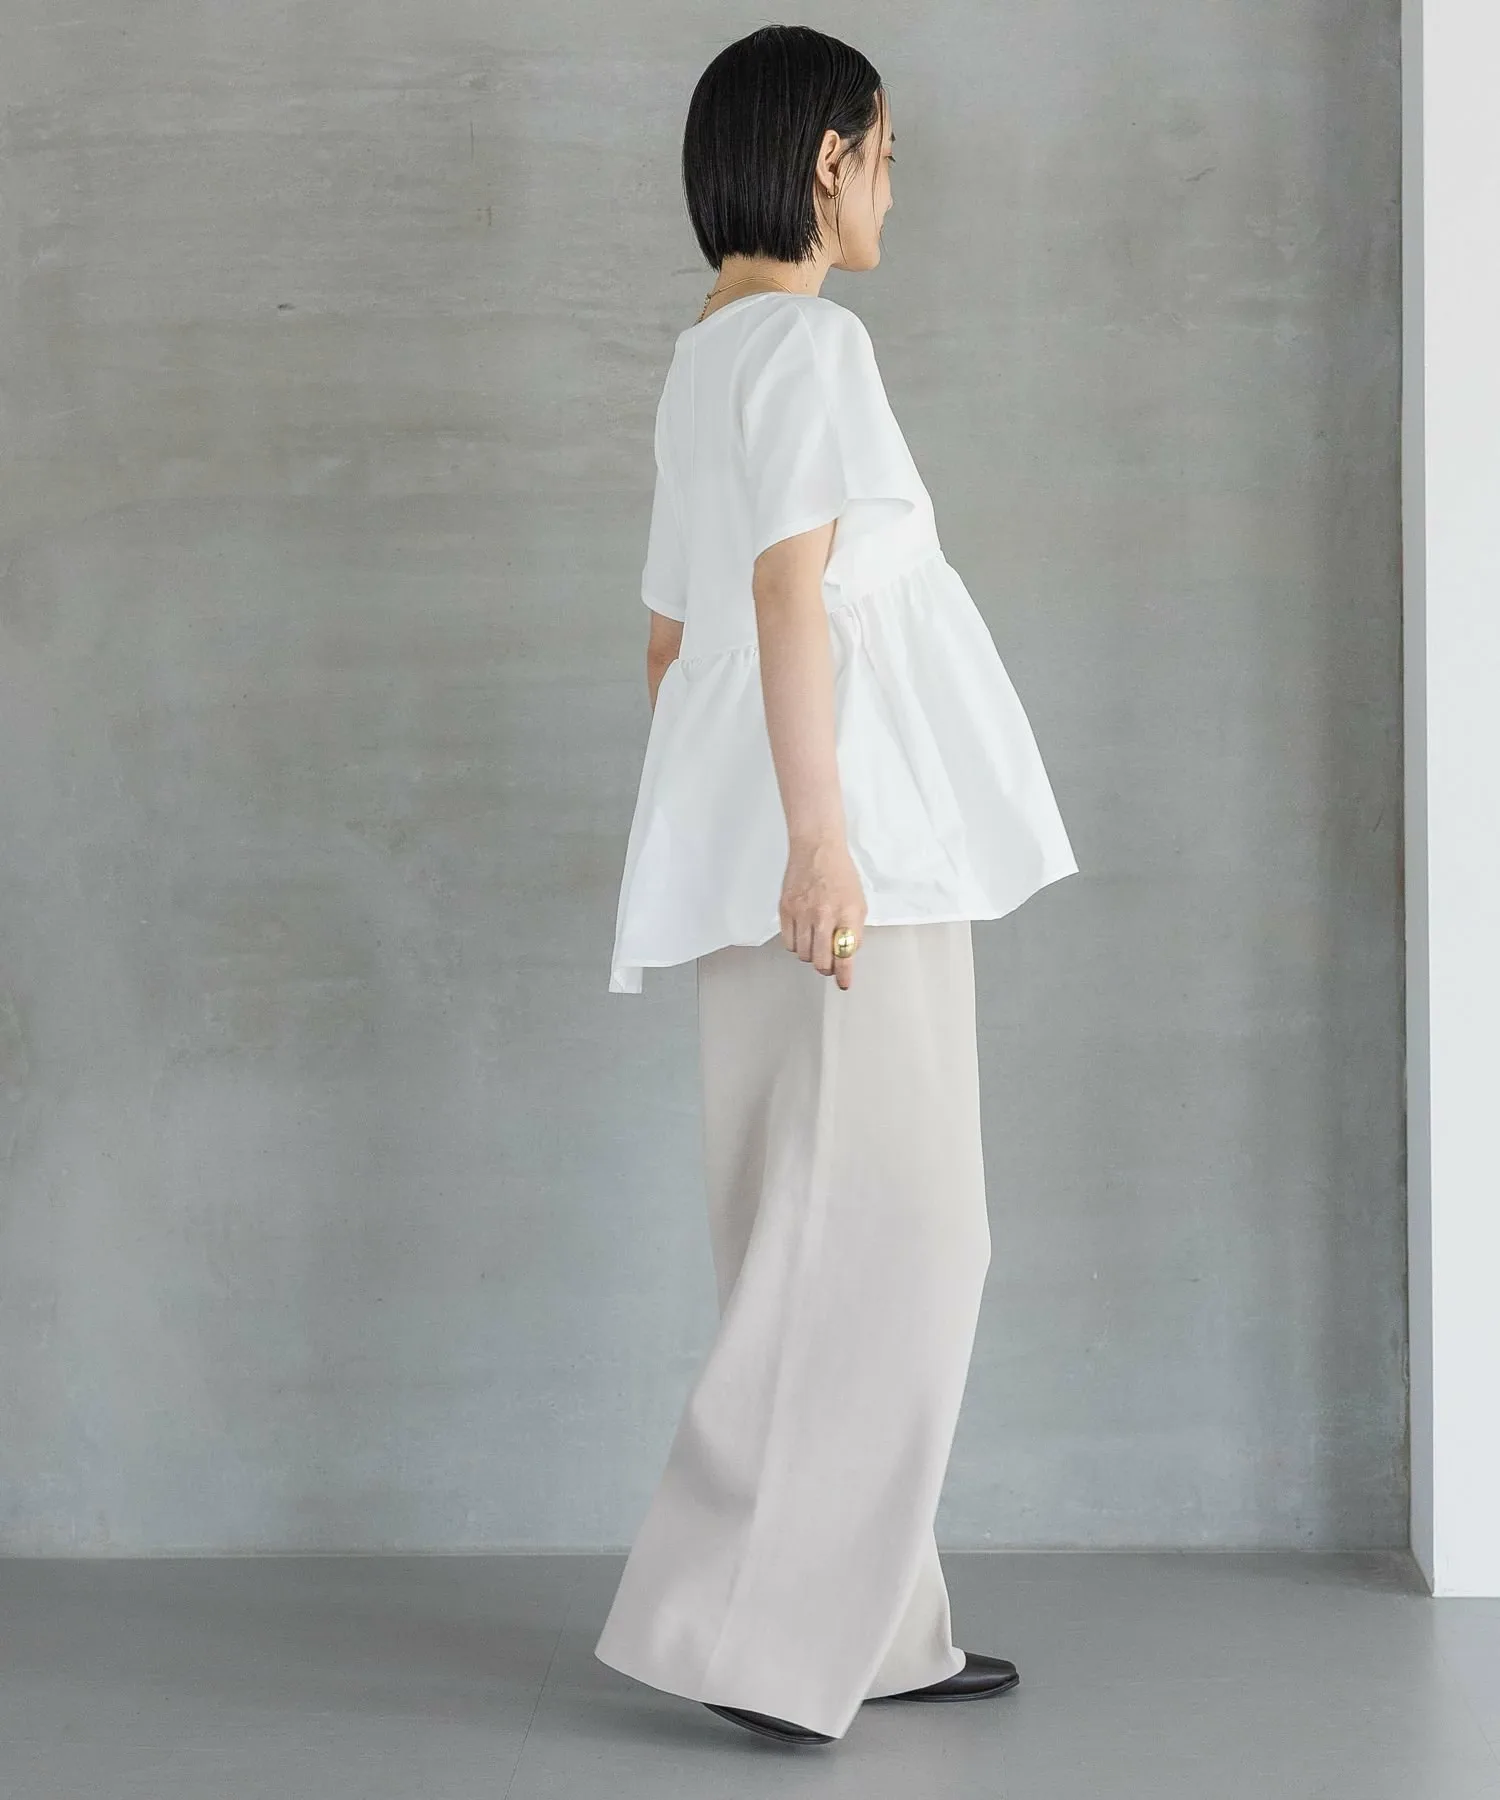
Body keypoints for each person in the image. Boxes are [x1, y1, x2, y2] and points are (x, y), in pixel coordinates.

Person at [595, 25, 1078, 1747]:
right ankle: (756, 1635)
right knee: (904, 1234)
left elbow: (672, 645)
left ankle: (878, 1629)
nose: (891, 190)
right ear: (825, 160)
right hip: (850, 853)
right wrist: (821, 839)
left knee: (806, 1231)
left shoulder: (703, 359)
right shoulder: (812, 343)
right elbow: (789, 596)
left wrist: (741, 839)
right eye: (885, 157)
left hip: (758, 856)